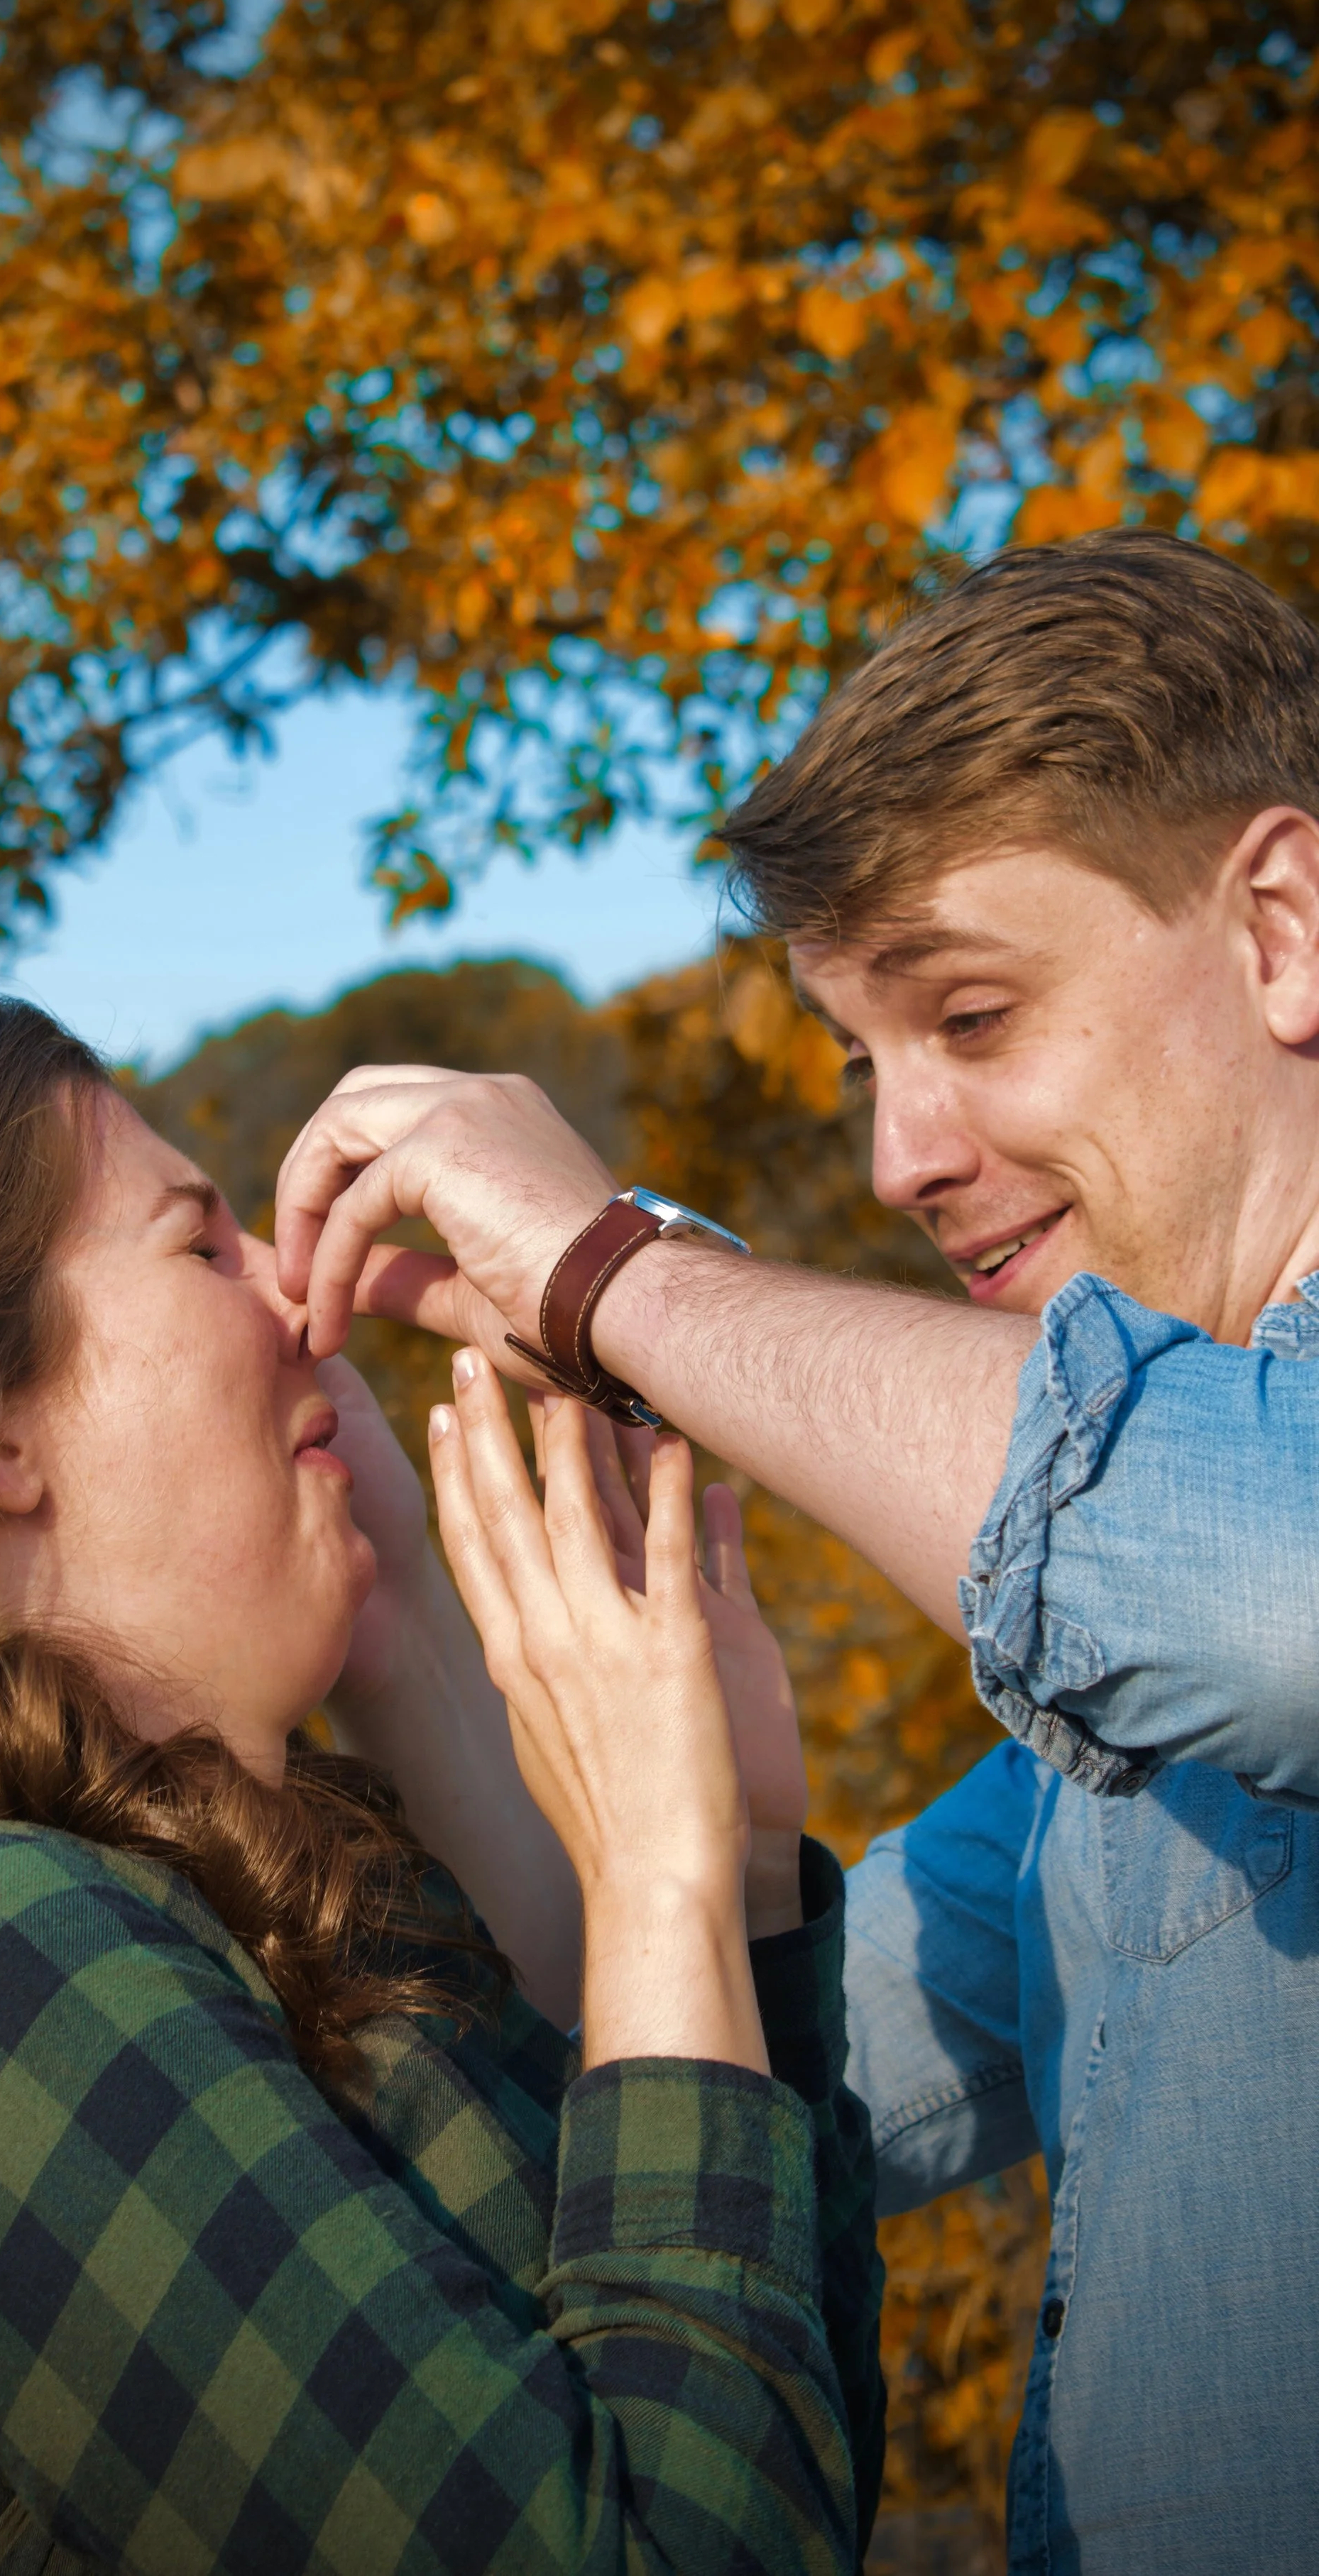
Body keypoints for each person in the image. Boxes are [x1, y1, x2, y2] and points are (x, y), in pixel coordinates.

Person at [273, 529, 1319, 2576]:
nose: (893, 1154)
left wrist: (619, 1277)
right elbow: (714, 2069)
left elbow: (1270, 1581)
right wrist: (397, 1577)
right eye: (862, 1060)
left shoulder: (1235, 1574)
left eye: (971, 1012)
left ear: (1278, 925)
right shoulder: (1110, 1753)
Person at [0, 988, 879, 2574]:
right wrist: (656, 1874)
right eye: (199, 1245)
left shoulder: (250, 1904)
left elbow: (769, 2450)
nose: (300, 1306)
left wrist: (729, 1876)